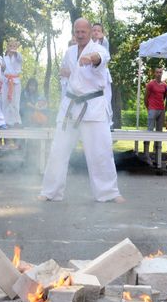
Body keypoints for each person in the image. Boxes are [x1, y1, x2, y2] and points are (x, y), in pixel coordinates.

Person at [39, 18, 123, 203]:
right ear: (74, 32)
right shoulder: (69, 52)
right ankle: (50, 191)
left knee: (100, 152)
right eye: (77, 31)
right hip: (70, 106)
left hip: (92, 107)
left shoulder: (99, 49)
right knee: (58, 150)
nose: (80, 35)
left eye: (83, 31)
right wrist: (67, 72)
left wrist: (91, 58)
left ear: (90, 32)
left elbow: (100, 59)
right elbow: (66, 72)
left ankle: (109, 192)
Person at [143, 66, 166, 162]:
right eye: (157, 72)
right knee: (149, 131)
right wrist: (149, 108)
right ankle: (146, 154)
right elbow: (145, 97)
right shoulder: (150, 84)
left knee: (159, 132)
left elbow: (164, 97)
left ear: (162, 73)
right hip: (152, 109)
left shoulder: (164, 85)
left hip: (161, 110)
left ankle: (157, 155)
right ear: (154, 73)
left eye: (160, 72)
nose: (159, 74)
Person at [1, 39, 23, 127]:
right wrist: (2, 68)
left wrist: (16, 51)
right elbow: (2, 70)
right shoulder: (4, 58)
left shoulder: (18, 57)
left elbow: (20, 58)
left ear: (17, 47)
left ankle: (17, 121)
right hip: (6, 81)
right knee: (5, 101)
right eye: (10, 46)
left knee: (15, 102)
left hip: (15, 81)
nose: (12, 48)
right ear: (7, 47)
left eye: (14, 46)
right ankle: (5, 121)